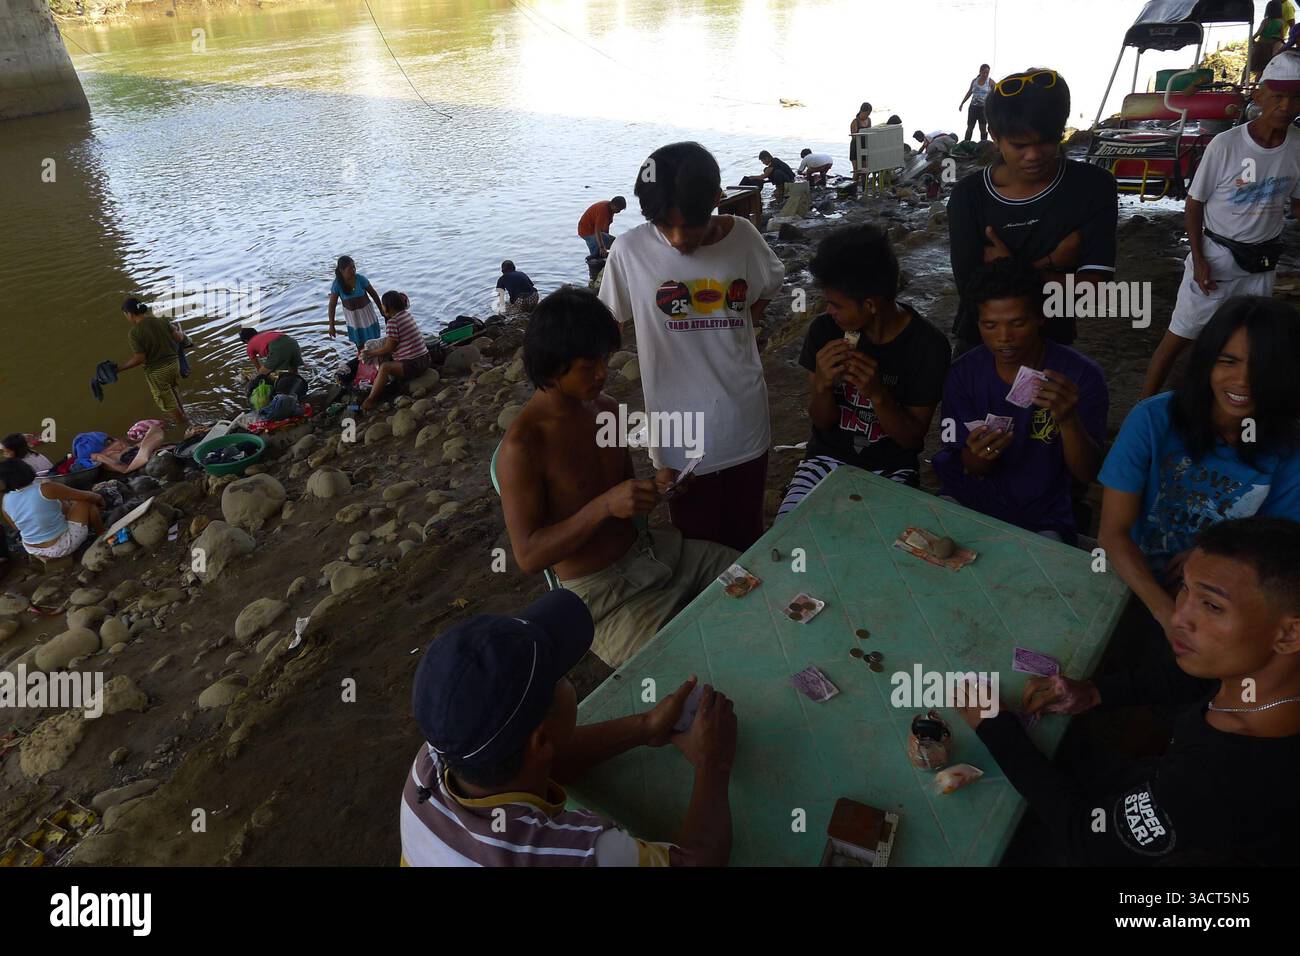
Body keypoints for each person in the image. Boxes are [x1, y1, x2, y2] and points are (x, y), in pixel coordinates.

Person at [958, 516, 1300, 866]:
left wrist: (994, 727)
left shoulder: (1216, 778)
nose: (1180, 616)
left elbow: (1088, 836)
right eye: (1185, 588)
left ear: (1289, 635)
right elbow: (1195, 681)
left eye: (1212, 605)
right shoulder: (1262, 680)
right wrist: (1095, 692)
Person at [399, 589, 737, 867]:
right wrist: (713, 762)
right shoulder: (580, 853)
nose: (569, 679)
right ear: (541, 739)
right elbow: (700, 862)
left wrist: (646, 726)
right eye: (560, 677)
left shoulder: (434, 760)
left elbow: (551, 760)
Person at [498, 287, 738, 667]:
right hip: (604, 597)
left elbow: (624, 493)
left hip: (660, 556)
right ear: (550, 366)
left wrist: (658, 488)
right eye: (587, 366)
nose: (601, 373)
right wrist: (605, 506)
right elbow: (529, 555)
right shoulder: (524, 447)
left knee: (753, 578)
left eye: (604, 360)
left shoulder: (605, 408)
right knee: (691, 672)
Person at [598, 142, 786, 552]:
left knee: (747, 539)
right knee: (695, 545)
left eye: (692, 226)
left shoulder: (745, 238)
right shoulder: (629, 251)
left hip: (742, 419)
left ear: (716, 202)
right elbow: (606, 324)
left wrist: (741, 323)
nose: (680, 239)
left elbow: (770, 283)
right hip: (677, 433)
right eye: (666, 225)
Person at [1099, 296, 1300, 634]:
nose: (1242, 381)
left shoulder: (1290, 451)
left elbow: (1279, 552)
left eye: (1263, 368)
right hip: (1130, 579)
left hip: (1223, 599)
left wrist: (1210, 557)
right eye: (1229, 361)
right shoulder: (1152, 419)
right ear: (1207, 362)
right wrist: (1169, 616)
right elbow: (1112, 534)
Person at [1140, 53, 1300, 399]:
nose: (1287, 106)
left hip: (1261, 265)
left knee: (1247, 342)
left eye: (1296, 97)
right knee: (1180, 337)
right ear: (1259, 97)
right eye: (1278, 96)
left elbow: (1297, 204)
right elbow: (1194, 203)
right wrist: (1199, 259)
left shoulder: (1298, 146)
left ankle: (1225, 410)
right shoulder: (1225, 145)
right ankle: (1142, 411)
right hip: (1217, 258)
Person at [933, 259, 1107, 545]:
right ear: (977, 323)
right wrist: (979, 457)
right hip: (969, 497)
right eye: (990, 325)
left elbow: (1087, 472)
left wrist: (1068, 420)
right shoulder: (963, 374)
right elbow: (966, 465)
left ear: (1041, 317)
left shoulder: (1080, 377)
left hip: (1043, 512)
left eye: (1018, 323)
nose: (1004, 338)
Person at [780, 224, 949, 517]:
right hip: (825, 458)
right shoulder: (825, 331)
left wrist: (878, 394)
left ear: (870, 304)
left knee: (880, 545)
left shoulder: (928, 346)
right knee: (787, 533)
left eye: (835, 304)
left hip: (892, 467)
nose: (828, 311)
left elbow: (912, 440)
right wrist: (822, 385)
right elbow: (822, 421)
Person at [947, 68, 1118, 351]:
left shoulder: (1093, 186)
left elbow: (1093, 294)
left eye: (1047, 141)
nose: (1034, 155)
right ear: (994, 135)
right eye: (1019, 145)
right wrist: (1049, 263)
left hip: (1054, 341)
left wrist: (1007, 267)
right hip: (981, 345)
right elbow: (973, 295)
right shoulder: (968, 197)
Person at [0, 459, 104, 561]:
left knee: (58, 505)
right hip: (59, 546)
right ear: (26, 470)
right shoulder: (45, 488)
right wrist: (99, 498)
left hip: (32, 549)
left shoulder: (6, 499)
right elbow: (86, 496)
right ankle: (102, 535)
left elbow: (16, 527)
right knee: (85, 502)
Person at [116, 297, 188, 428]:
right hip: (174, 364)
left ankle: (184, 425)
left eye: (125, 315)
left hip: (157, 372)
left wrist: (120, 368)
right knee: (173, 389)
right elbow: (178, 338)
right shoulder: (162, 321)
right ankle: (183, 414)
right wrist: (182, 334)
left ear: (129, 314)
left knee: (167, 402)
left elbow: (140, 358)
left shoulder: (134, 333)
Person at [359, 291, 431, 413]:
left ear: (388, 307)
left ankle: (370, 400)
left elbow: (389, 348)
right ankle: (382, 382)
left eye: (382, 305)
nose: (381, 307)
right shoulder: (406, 315)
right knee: (383, 354)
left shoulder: (393, 322)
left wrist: (369, 353)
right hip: (425, 359)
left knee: (384, 367)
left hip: (414, 365)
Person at [327, 255, 385, 352]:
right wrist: (331, 325)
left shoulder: (360, 279)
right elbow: (332, 306)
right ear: (342, 270)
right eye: (350, 268)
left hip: (368, 317)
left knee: (375, 342)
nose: (354, 270)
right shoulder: (337, 284)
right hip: (354, 320)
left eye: (354, 267)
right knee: (360, 346)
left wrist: (382, 311)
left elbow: (374, 295)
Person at [88, 422, 169, 476]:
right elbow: (123, 468)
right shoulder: (98, 457)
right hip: (142, 461)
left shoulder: (102, 455)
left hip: (141, 456)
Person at [238, 328, 303, 376]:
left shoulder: (249, 345)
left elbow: (258, 367)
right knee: (294, 372)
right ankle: (296, 383)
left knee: (261, 374)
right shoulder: (266, 334)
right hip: (293, 342)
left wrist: (261, 372)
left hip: (277, 347)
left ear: (246, 340)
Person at [1251, 2, 1288, 81]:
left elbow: (1258, 33)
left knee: (1259, 70)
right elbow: (1282, 36)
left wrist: (1252, 39)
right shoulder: (1281, 22)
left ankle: (1255, 87)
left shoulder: (1265, 21)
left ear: (1267, 10)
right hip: (1272, 47)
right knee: (1267, 69)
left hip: (1262, 46)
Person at [958, 63, 994, 142]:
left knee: (983, 129)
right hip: (973, 107)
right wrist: (962, 103)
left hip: (983, 109)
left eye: (987, 73)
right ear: (980, 72)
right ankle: (966, 144)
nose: (985, 74)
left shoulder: (990, 82)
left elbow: (997, 92)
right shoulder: (975, 81)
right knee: (970, 128)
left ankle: (983, 145)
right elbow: (969, 92)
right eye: (984, 72)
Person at [849, 102, 873, 170]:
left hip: (865, 147)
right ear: (862, 111)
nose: (867, 116)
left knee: (865, 169)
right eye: (866, 114)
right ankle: (855, 180)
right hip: (855, 148)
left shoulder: (869, 120)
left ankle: (863, 180)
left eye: (869, 114)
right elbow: (854, 137)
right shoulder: (855, 122)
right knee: (856, 170)